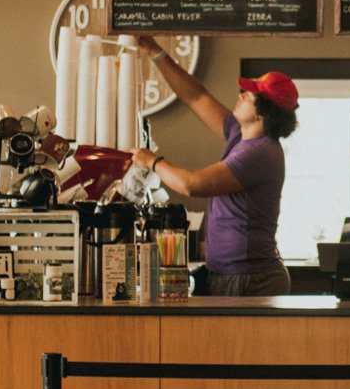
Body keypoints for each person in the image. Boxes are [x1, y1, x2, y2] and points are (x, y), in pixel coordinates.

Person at [125, 41, 297, 298]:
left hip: (250, 279)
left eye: (249, 95)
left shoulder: (261, 153)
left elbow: (192, 185)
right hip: (230, 274)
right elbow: (195, 96)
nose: (241, 95)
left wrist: (152, 161)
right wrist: (155, 51)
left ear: (264, 113)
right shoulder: (240, 135)